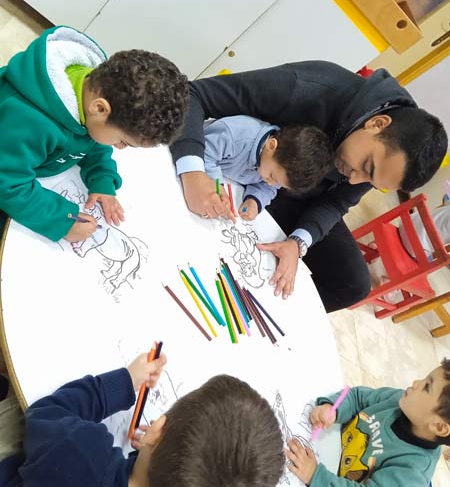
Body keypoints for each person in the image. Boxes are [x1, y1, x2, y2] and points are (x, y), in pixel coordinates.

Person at [170, 61, 448, 310]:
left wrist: (297, 243)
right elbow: (194, 94)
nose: (355, 180)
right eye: (367, 166)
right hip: (248, 167)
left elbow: (337, 202)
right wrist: (194, 172)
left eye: (371, 181)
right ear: (377, 124)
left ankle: (263, 322)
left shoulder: (372, 165)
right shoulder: (310, 87)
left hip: (283, 194)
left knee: (353, 284)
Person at [0, 353, 284, 487]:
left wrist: (123, 382)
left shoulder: (80, 449)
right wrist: (155, 458)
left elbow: (47, 411)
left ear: (156, 431)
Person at [0, 25, 188, 243]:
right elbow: (8, 183)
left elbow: (93, 142)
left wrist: (102, 179)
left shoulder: (95, 94)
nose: (119, 147)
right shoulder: (30, 121)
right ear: (99, 108)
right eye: (123, 141)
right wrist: (61, 220)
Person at [285, 360, 450, 487]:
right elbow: (357, 396)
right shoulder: (401, 401)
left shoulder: (414, 472)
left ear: (439, 427)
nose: (416, 383)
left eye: (427, 387)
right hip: (327, 448)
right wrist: (333, 409)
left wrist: (314, 476)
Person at [204, 114, 333, 221]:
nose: (271, 183)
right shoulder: (237, 135)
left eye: (278, 183)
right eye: (272, 176)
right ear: (271, 146)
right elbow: (204, 153)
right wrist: (217, 187)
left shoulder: (274, 166)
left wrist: (254, 201)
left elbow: (268, 188)